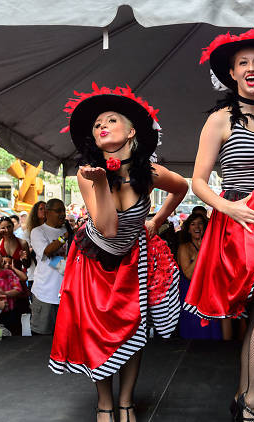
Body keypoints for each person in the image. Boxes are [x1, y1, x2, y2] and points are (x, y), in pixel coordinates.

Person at [48, 82, 187, 422]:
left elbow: (182, 188)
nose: (101, 126)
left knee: (134, 330)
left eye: (110, 120)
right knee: (99, 333)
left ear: (131, 132)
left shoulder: (150, 172)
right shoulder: (86, 174)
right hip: (94, 260)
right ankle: (104, 403)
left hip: (132, 258)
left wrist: (157, 219)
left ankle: (126, 401)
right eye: (96, 126)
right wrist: (99, 182)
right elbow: (108, 228)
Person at [183, 27, 254, 422]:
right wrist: (229, 209)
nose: (251, 68)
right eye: (243, 62)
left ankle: (242, 395)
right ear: (232, 73)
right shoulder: (218, 120)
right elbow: (198, 182)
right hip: (238, 225)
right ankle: (253, 400)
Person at [176, 213, 222, 339]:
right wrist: (202, 251)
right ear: (188, 229)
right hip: (190, 297)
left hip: (208, 296)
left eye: (200, 223)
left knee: (212, 333)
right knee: (193, 333)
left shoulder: (213, 246)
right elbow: (189, 274)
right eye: (193, 224)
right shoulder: (183, 248)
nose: (197, 227)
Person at [29, 198, 68, 336]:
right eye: (58, 211)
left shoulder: (65, 230)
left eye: (64, 210)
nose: (62, 214)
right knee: (42, 337)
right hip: (45, 294)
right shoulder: (38, 231)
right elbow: (46, 251)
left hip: (65, 294)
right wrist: (64, 237)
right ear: (47, 212)